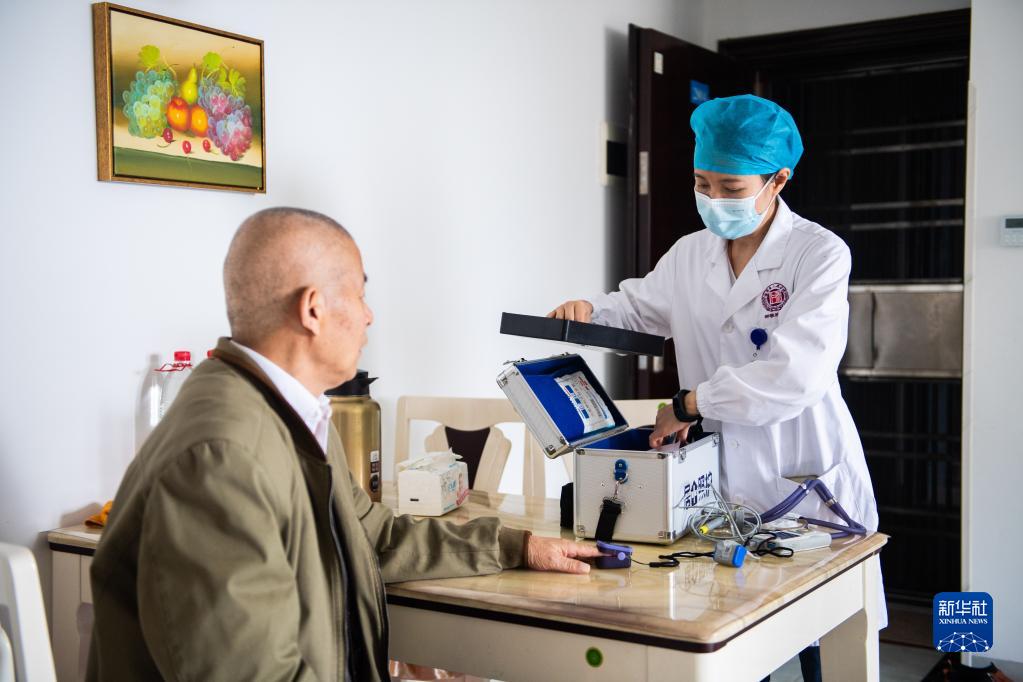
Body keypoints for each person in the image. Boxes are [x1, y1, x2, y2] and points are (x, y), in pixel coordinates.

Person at [88, 207, 602, 681]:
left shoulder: (292, 411)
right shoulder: (220, 458)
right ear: (313, 309)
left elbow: (372, 535)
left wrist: (517, 547)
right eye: (359, 294)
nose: (369, 315)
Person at [549, 94, 883, 681]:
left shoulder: (819, 254)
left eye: (731, 187)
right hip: (720, 486)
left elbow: (794, 375)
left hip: (804, 480)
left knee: (828, 648)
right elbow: (638, 309)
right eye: (702, 184)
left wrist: (688, 404)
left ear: (778, 180)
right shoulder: (691, 254)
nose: (713, 199)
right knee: (731, 637)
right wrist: (588, 312)